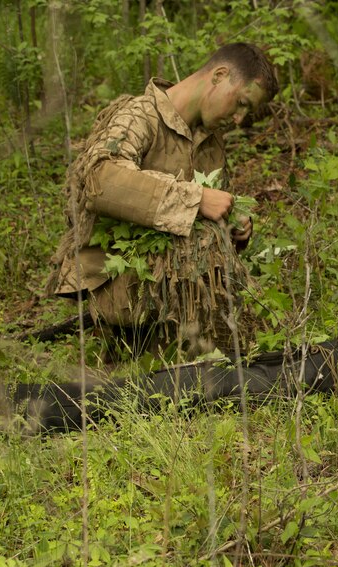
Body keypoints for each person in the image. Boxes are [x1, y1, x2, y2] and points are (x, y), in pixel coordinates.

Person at [47, 42, 279, 356]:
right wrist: (195, 200)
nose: (239, 119)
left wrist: (233, 224)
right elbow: (99, 179)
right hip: (116, 276)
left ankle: (207, 352)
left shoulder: (210, 142)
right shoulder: (139, 115)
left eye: (246, 112)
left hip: (167, 286)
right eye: (240, 103)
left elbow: (205, 225)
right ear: (219, 75)